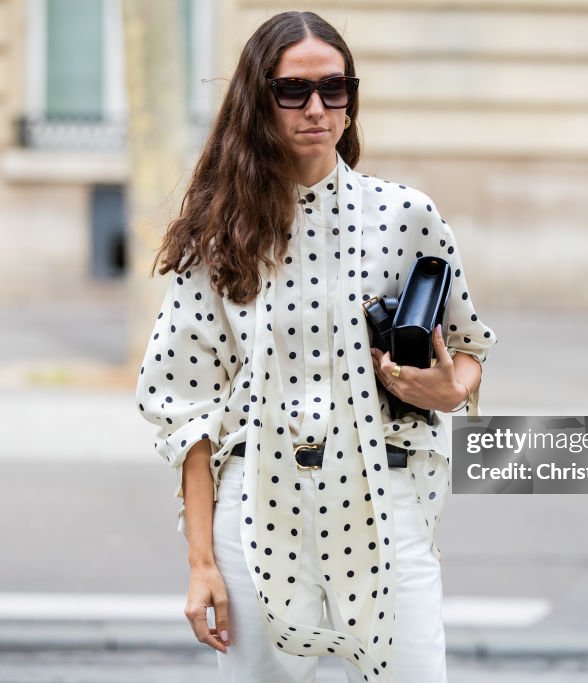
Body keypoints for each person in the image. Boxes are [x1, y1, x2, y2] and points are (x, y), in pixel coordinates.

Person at [135, 10, 497, 683]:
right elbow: (187, 407)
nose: (317, 108)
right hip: (258, 502)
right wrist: (201, 562)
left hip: (383, 494)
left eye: (335, 89)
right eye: (293, 90)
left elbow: (470, 345)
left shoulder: (404, 214)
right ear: (258, 99)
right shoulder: (222, 237)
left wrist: (449, 389)